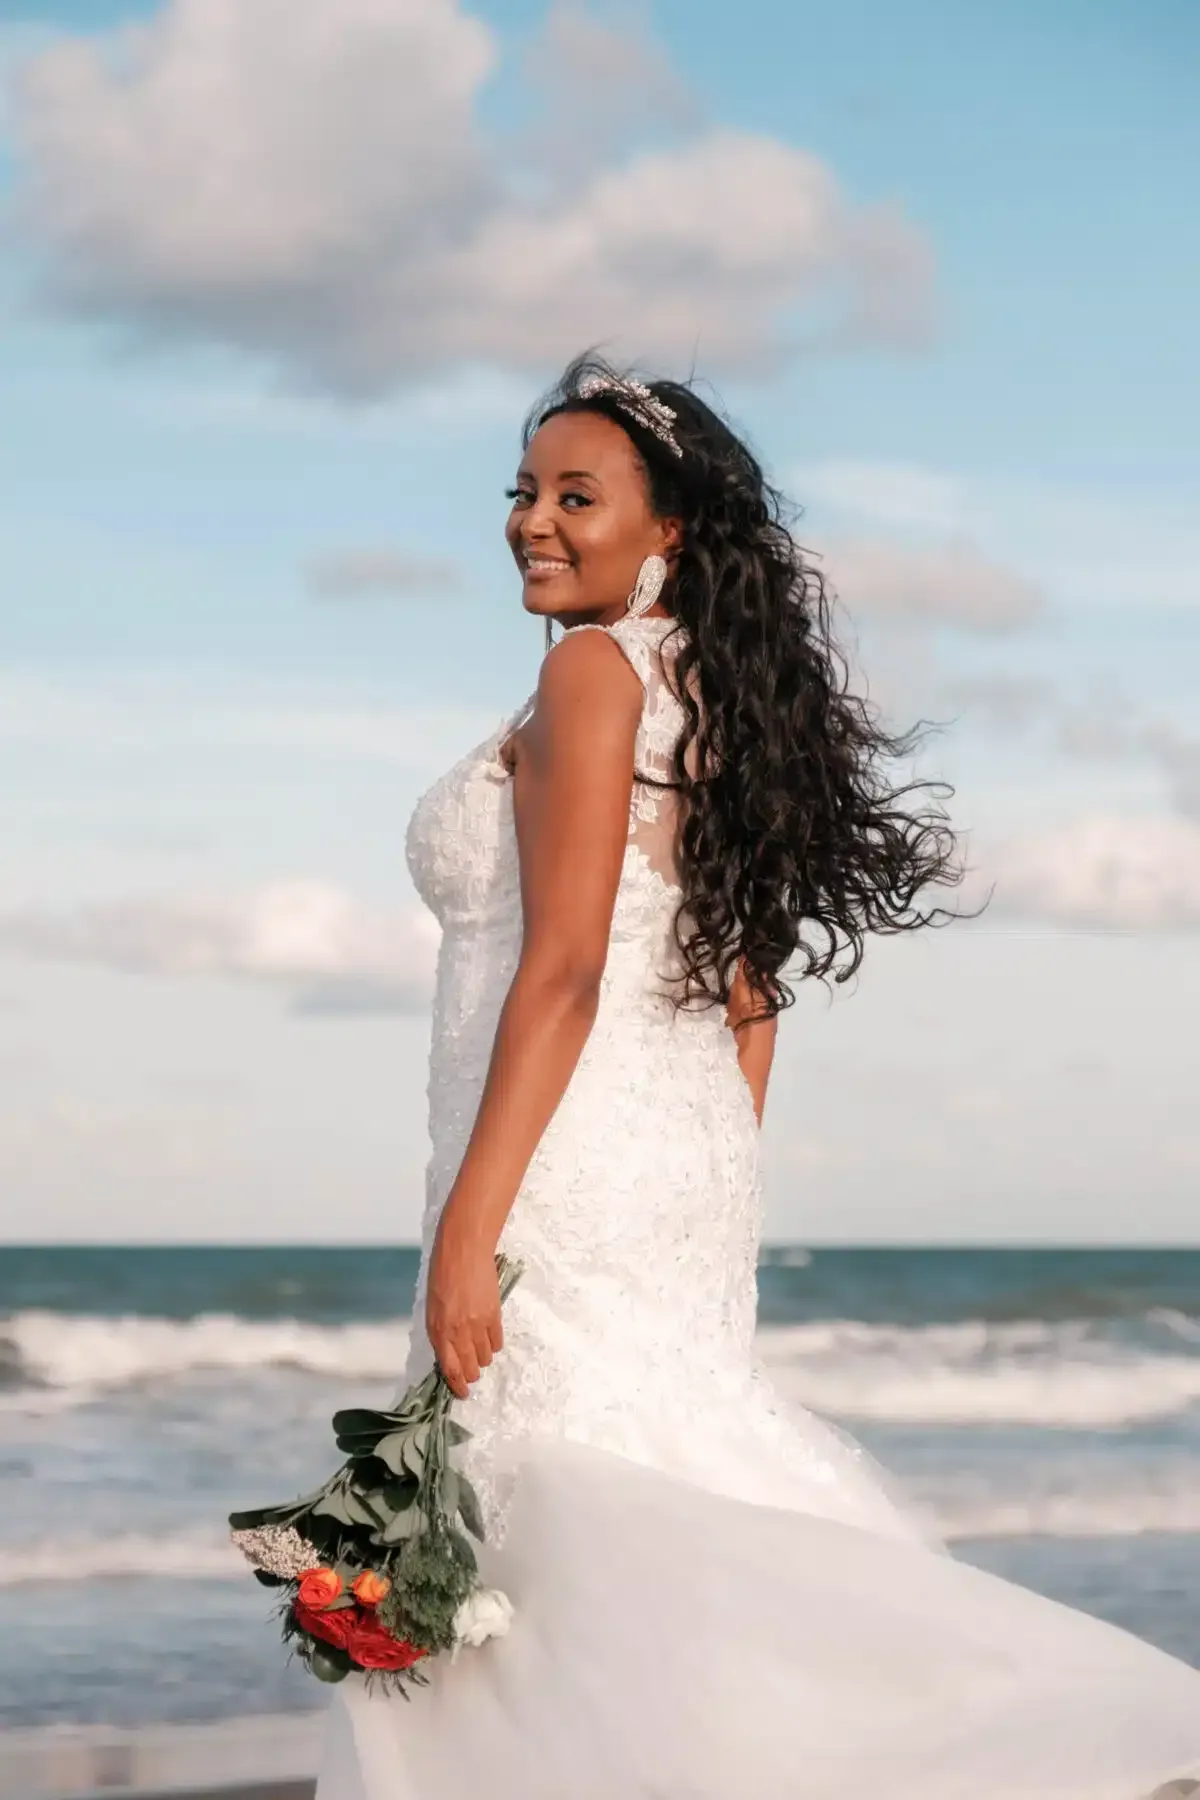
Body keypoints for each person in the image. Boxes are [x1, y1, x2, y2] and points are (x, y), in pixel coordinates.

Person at [316, 354, 1200, 1799]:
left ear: (668, 529)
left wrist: (474, 1225)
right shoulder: (711, 700)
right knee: (648, 1476)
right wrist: (705, 1169)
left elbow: (566, 971)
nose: (533, 519)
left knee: (558, 1515)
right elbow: (748, 992)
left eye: (576, 494)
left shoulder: (594, 675)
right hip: (664, 1155)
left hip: (560, 1154)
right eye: (524, 490)